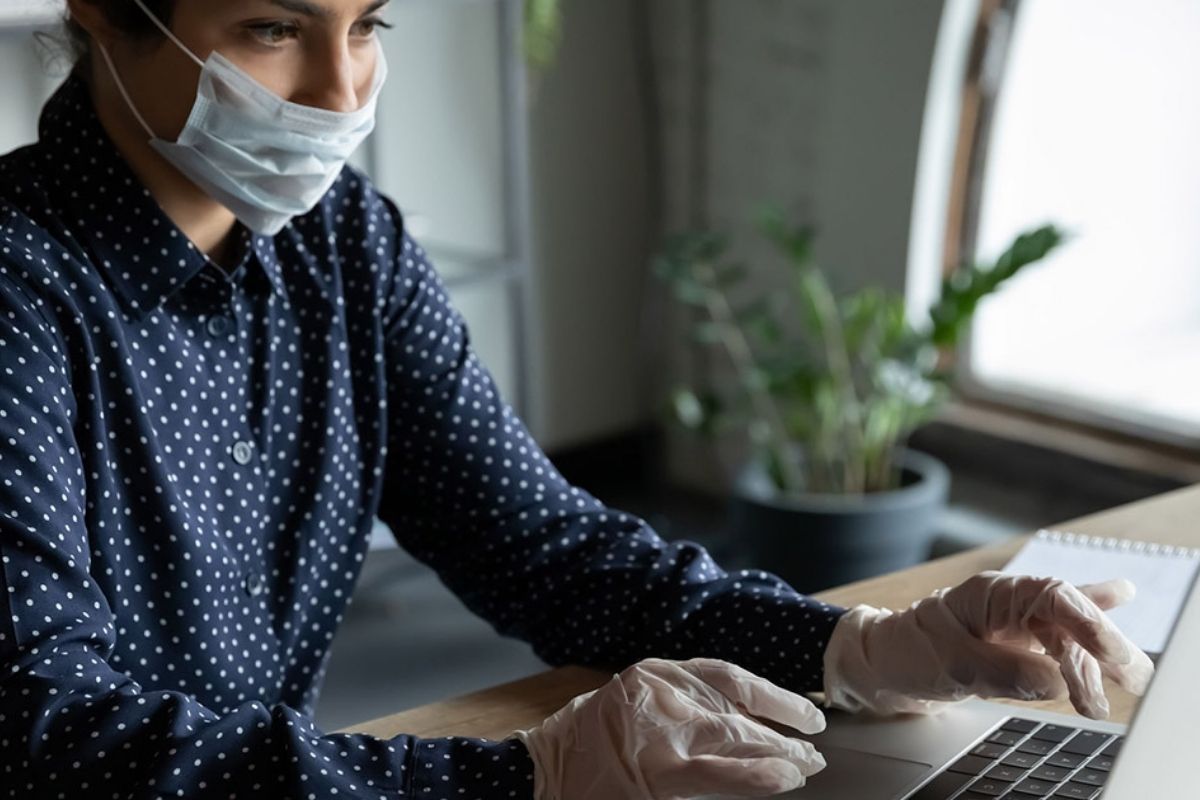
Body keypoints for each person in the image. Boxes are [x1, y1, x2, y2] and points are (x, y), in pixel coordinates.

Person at [0, 1, 1154, 798]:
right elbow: (47, 738)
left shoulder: (343, 241)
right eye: (271, 28)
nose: (341, 91)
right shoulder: (18, 287)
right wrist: (527, 773)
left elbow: (546, 545)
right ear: (105, 10)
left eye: (369, 25)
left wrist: (861, 646)